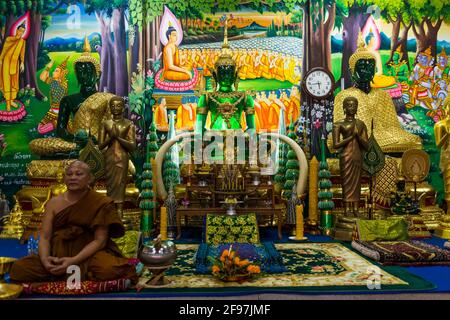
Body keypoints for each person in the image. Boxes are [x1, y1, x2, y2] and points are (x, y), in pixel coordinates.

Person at [9, 160, 138, 284]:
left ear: (89, 179)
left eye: (79, 174)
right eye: (69, 174)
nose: (73, 177)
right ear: (64, 179)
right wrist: (45, 260)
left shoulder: (100, 202)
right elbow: (44, 237)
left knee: (109, 270)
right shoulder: (53, 203)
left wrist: (73, 261)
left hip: (89, 255)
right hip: (58, 253)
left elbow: (100, 241)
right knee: (18, 269)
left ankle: (72, 273)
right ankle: (75, 274)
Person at [98, 96, 136, 217]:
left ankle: (120, 210)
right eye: (112, 106)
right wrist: (111, 138)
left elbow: (132, 145)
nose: (115, 108)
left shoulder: (128, 124)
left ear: (123, 108)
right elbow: (100, 145)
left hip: (122, 158)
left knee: (121, 183)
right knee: (110, 184)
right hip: (109, 157)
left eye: (118, 105)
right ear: (110, 108)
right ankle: (110, 210)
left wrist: (117, 137)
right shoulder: (105, 124)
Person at [332, 96, 369, 216]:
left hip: (357, 156)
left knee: (357, 183)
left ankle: (356, 209)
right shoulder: (338, 124)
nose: (352, 107)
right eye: (349, 105)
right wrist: (351, 137)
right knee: (346, 183)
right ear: (344, 107)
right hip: (346, 156)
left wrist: (358, 136)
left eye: (354, 105)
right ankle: (347, 209)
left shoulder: (361, 124)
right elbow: (336, 144)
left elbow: (367, 146)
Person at [38, 57, 69, 134]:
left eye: (56, 71)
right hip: (52, 111)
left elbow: (42, 77)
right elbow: (43, 77)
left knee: (41, 130)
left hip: (57, 113)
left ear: (61, 73)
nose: (53, 72)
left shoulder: (57, 83)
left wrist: (48, 67)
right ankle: (57, 124)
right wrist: (48, 70)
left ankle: (57, 123)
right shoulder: (59, 82)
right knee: (40, 128)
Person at [0, 22, 26, 111]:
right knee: (7, 82)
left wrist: (22, 63)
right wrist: (0, 59)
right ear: (17, 30)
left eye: (23, 32)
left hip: (15, 64)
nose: (21, 33)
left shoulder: (22, 42)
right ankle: (7, 103)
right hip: (6, 63)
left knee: (14, 83)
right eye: (20, 31)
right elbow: (4, 50)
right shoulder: (9, 39)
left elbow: (22, 53)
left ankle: (11, 100)